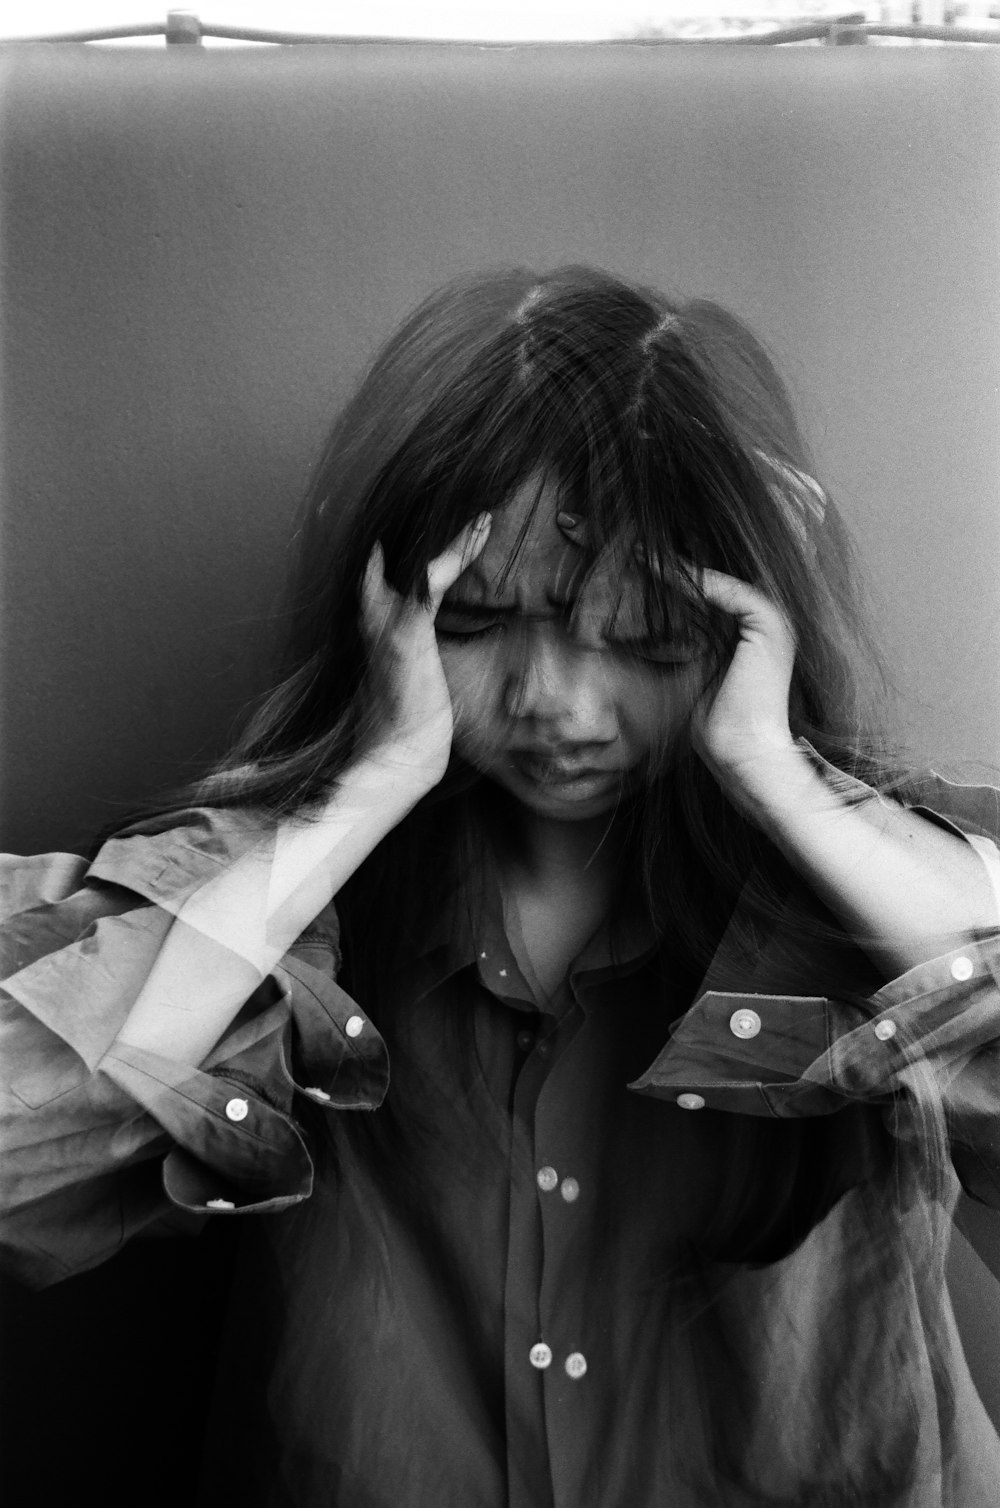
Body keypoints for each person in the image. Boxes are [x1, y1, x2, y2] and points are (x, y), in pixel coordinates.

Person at [3, 265, 1000, 1506]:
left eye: (647, 639)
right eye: (479, 622)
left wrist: (779, 774)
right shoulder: (267, 896)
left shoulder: (904, 887)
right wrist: (362, 788)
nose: (559, 707)